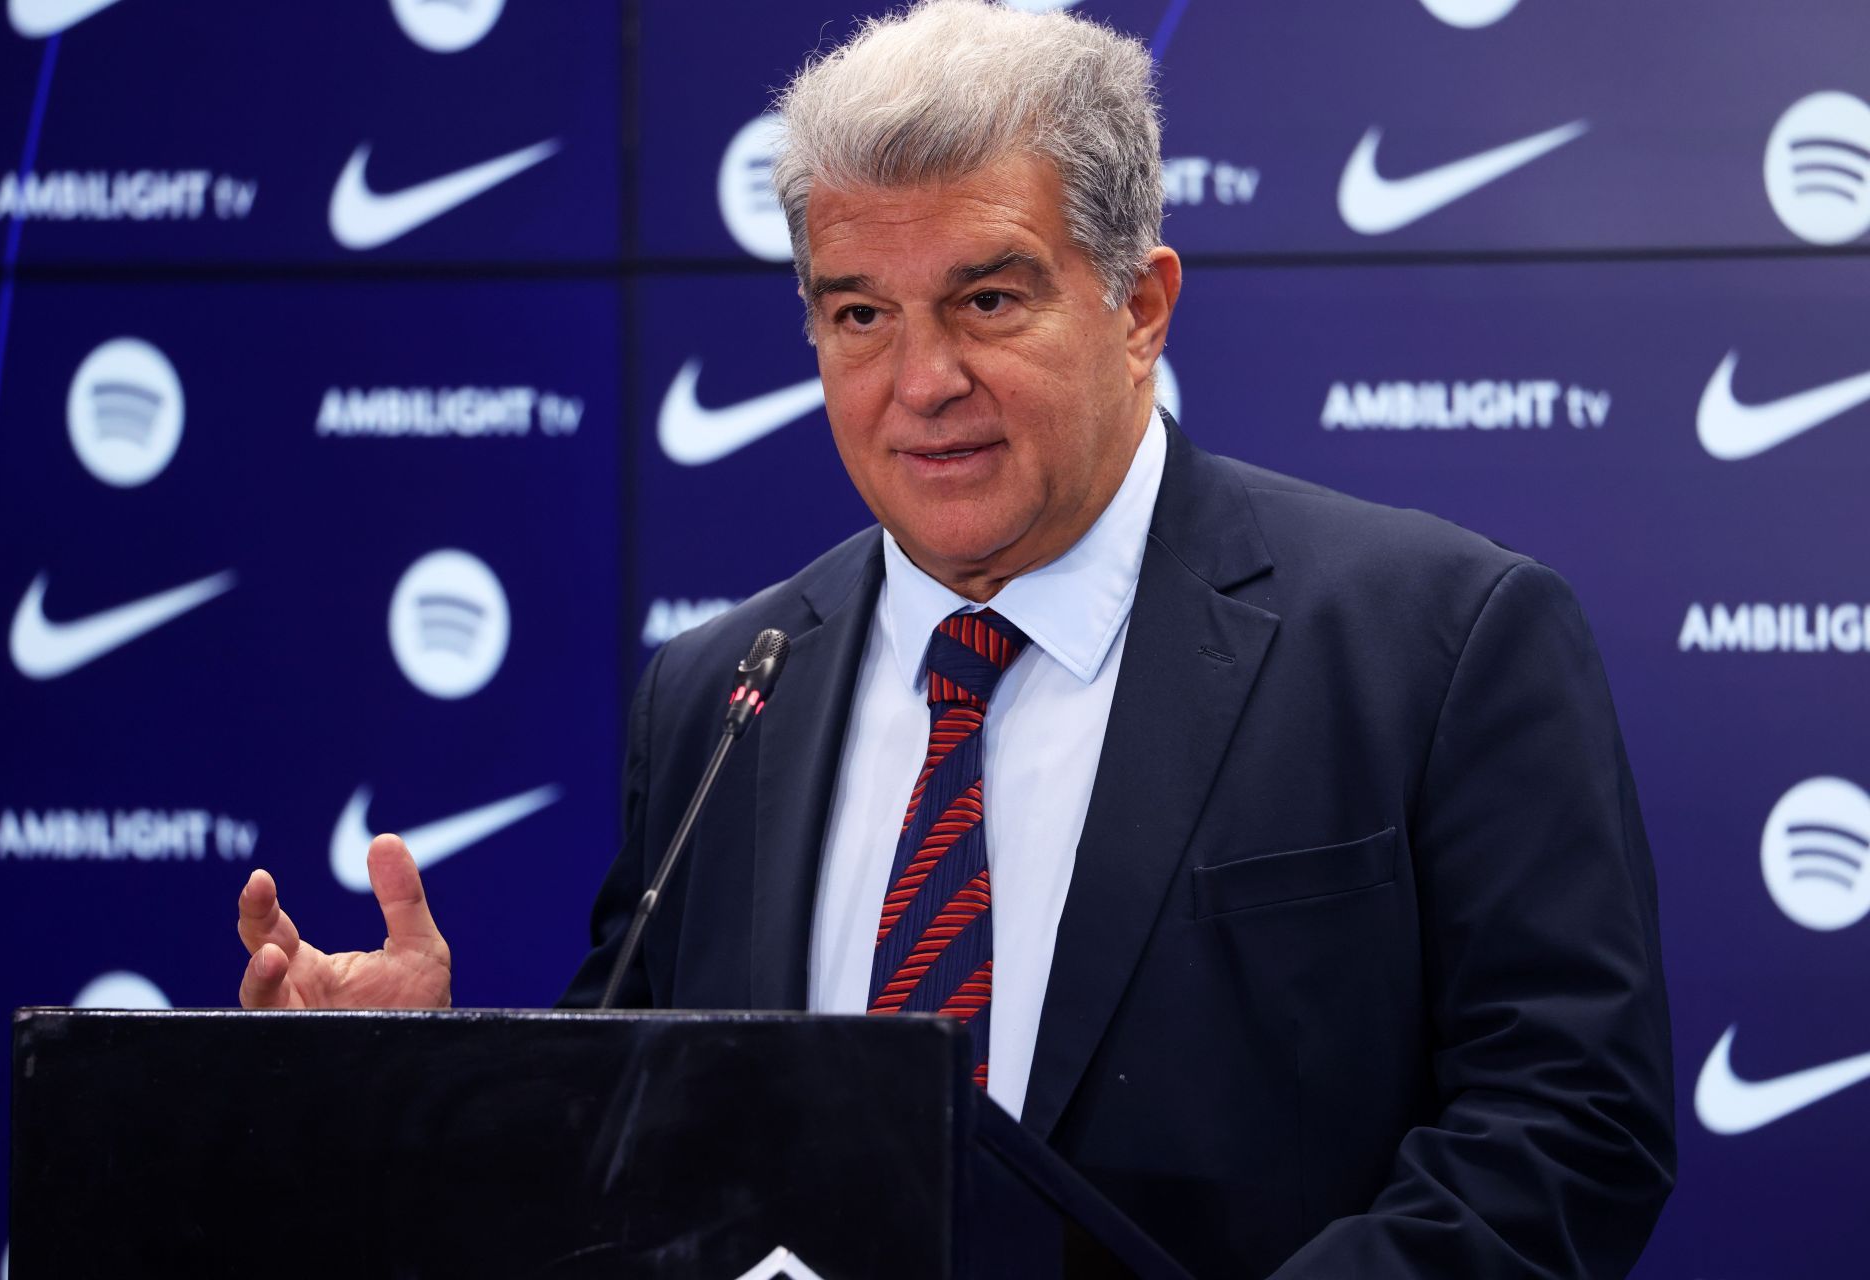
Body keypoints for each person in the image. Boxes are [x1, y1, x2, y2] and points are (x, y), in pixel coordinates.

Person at [236, 2, 1675, 1273]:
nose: (923, 381)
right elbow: (641, 1143)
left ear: (1139, 307)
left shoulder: (1437, 641)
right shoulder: (722, 689)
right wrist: (412, 1076)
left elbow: (1567, 1133)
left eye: (989, 298)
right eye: (860, 313)